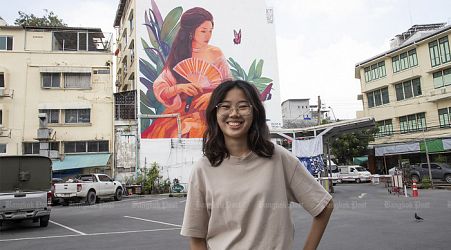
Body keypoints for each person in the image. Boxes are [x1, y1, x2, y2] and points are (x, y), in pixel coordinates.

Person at [181, 80, 334, 249]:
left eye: (243, 106)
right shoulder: (203, 169)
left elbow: (324, 205)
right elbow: (196, 237)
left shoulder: (277, 157)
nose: (234, 113)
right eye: (225, 106)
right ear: (214, 113)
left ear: (255, 112)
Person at [141, 7, 231, 139]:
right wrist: (179, 88)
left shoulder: (215, 53)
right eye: (203, 31)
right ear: (190, 32)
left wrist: (214, 95)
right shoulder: (179, 53)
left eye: (210, 31)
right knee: (171, 131)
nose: (208, 36)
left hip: (211, 108)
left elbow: (229, 83)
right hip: (184, 110)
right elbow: (161, 87)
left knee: (200, 129)